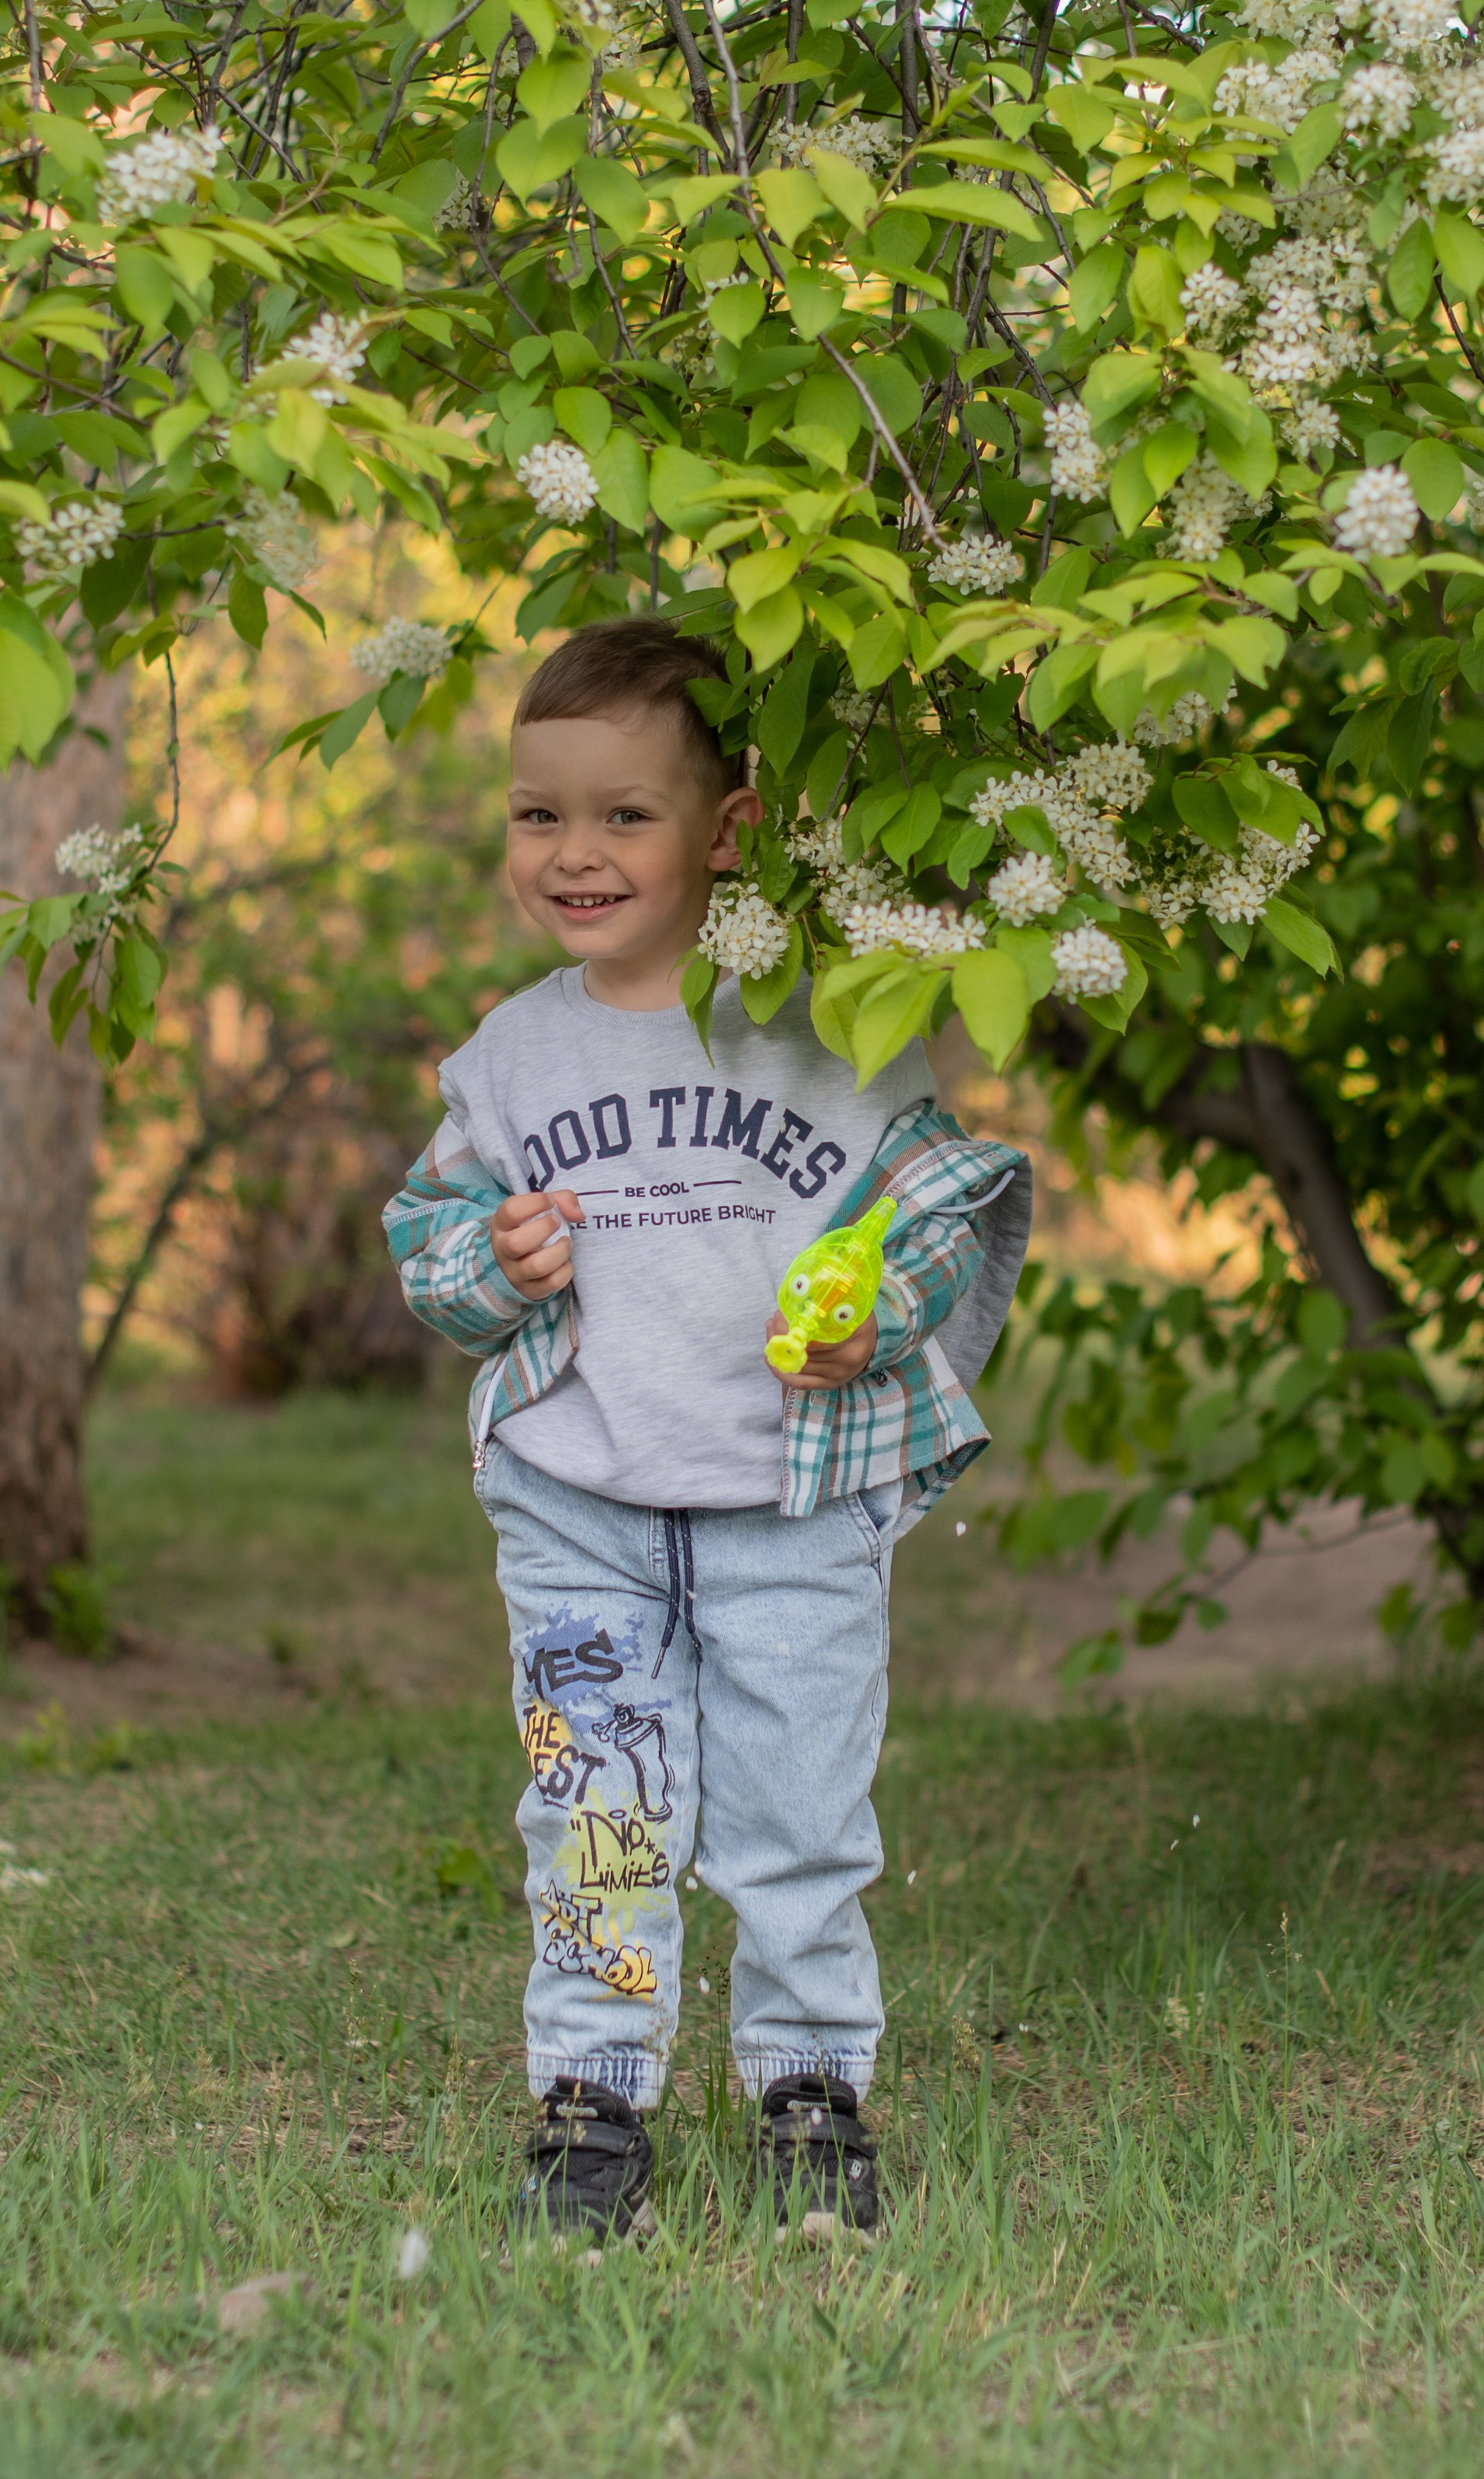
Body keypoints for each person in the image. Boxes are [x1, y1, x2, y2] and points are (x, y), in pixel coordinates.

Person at [383, 617, 1031, 2243]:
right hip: (580, 1493)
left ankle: (807, 2086)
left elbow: (940, 1201)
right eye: (539, 814)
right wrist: (488, 1262)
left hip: (784, 1497)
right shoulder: (512, 1051)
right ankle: (594, 2091)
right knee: (594, 1803)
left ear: (726, 828)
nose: (573, 853)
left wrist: (876, 1305)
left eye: (623, 814)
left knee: (797, 1808)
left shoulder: (823, 1025)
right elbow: (429, 1244)